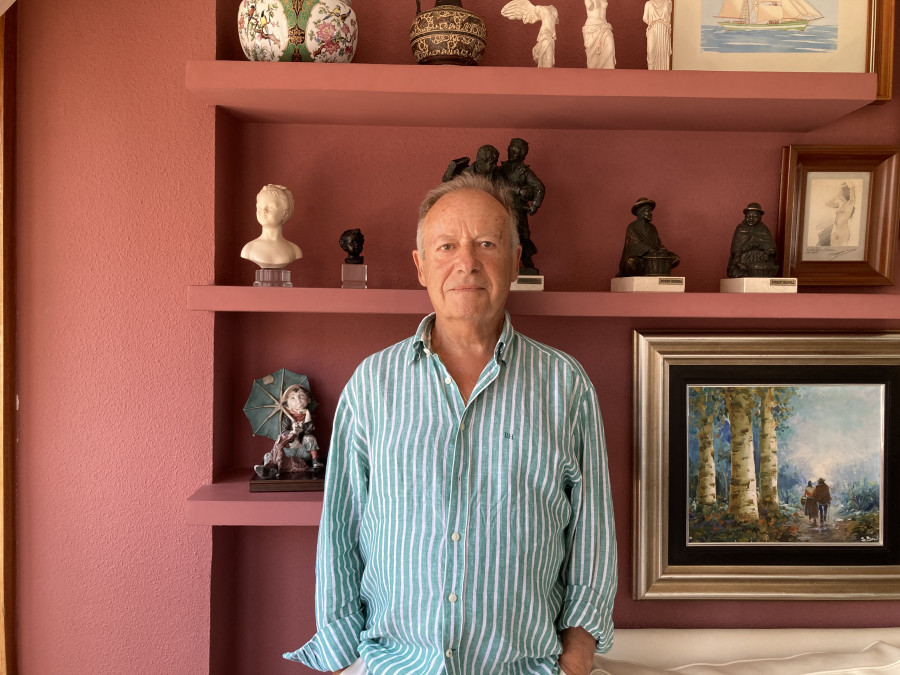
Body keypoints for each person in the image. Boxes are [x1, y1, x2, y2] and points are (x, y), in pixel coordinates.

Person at [285, 173, 617, 674]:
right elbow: (341, 528)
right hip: (395, 665)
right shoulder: (373, 384)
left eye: (486, 243)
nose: (467, 262)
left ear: (516, 261)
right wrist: (340, 659)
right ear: (421, 266)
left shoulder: (565, 386)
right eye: (446, 246)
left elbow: (593, 530)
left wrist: (577, 654)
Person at [500, 138, 545, 273]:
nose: (512, 154)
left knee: (523, 235)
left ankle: (526, 260)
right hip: (501, 207)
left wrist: (535, 205)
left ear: (522, 155)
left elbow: (539, 187)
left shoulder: (524, 172)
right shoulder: (500, 169)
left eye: (516, 152)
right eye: (511, 150)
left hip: (518, 208)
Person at [241, 184, 303, 268]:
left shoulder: (294, 251)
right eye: (259, 207)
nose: (263, 211)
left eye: (271, 207)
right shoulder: (249, 249)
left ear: (285, 212)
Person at [617, 197, 679, 277]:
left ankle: (653, 269)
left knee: (675, 258)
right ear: (640, 212)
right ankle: (648, 270)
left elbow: (657, 243)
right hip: (640, 259)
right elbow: (635, 244)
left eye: (651, 211)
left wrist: (661, 249)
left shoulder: (652, 228)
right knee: (631, 262)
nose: (651, 213)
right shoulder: (632, 227)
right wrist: (649, 250)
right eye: (648, 211)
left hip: (652, 257)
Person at [726, 203, 778, 278]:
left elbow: (771, 245)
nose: (751, 218)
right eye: (748, 216)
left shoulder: (763, 229)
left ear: (760, 218)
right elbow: (736, 246)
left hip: (761, 258)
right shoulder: (741, 228)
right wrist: (737, 256)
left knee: (764, 267)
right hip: (744, 257)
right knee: (738, 268)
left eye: (755, 216)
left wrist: (767, 253)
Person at [583, 0, 615, 69]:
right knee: (593, 56)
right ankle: (594, 72)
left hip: (604, 26)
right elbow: (589, 6)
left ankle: (608, 70)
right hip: (592, 27)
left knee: (609, 43)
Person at [825, 182, 856, 246]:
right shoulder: (840, 204)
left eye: (845, 190)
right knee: (832, 249)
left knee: (841, 249)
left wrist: (847, 184)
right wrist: (837, 195)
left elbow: (853, 187)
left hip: (843, 230)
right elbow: (828, 204)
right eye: (842, 190)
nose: (843, 192)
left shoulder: (850, 203)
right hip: (835, 230)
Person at [643, 0, 671, 71]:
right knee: (651, 51)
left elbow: (669, 17)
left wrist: (662, 22)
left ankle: (663, 74)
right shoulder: (648, 3)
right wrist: (652, 22)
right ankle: (651, 74)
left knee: (663, 53)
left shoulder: (668, 2)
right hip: (652, 28)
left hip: (663, 30)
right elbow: (645, 18)